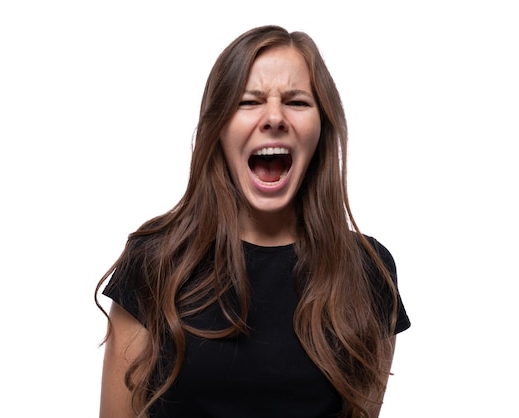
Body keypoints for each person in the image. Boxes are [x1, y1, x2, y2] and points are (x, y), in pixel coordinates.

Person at [95, 25, 410, 418]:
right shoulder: (157, 260)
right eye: (249, 102)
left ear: (321, 130)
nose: (274, 117)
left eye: (296, 102)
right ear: (219, 128)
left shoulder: (368, 271)